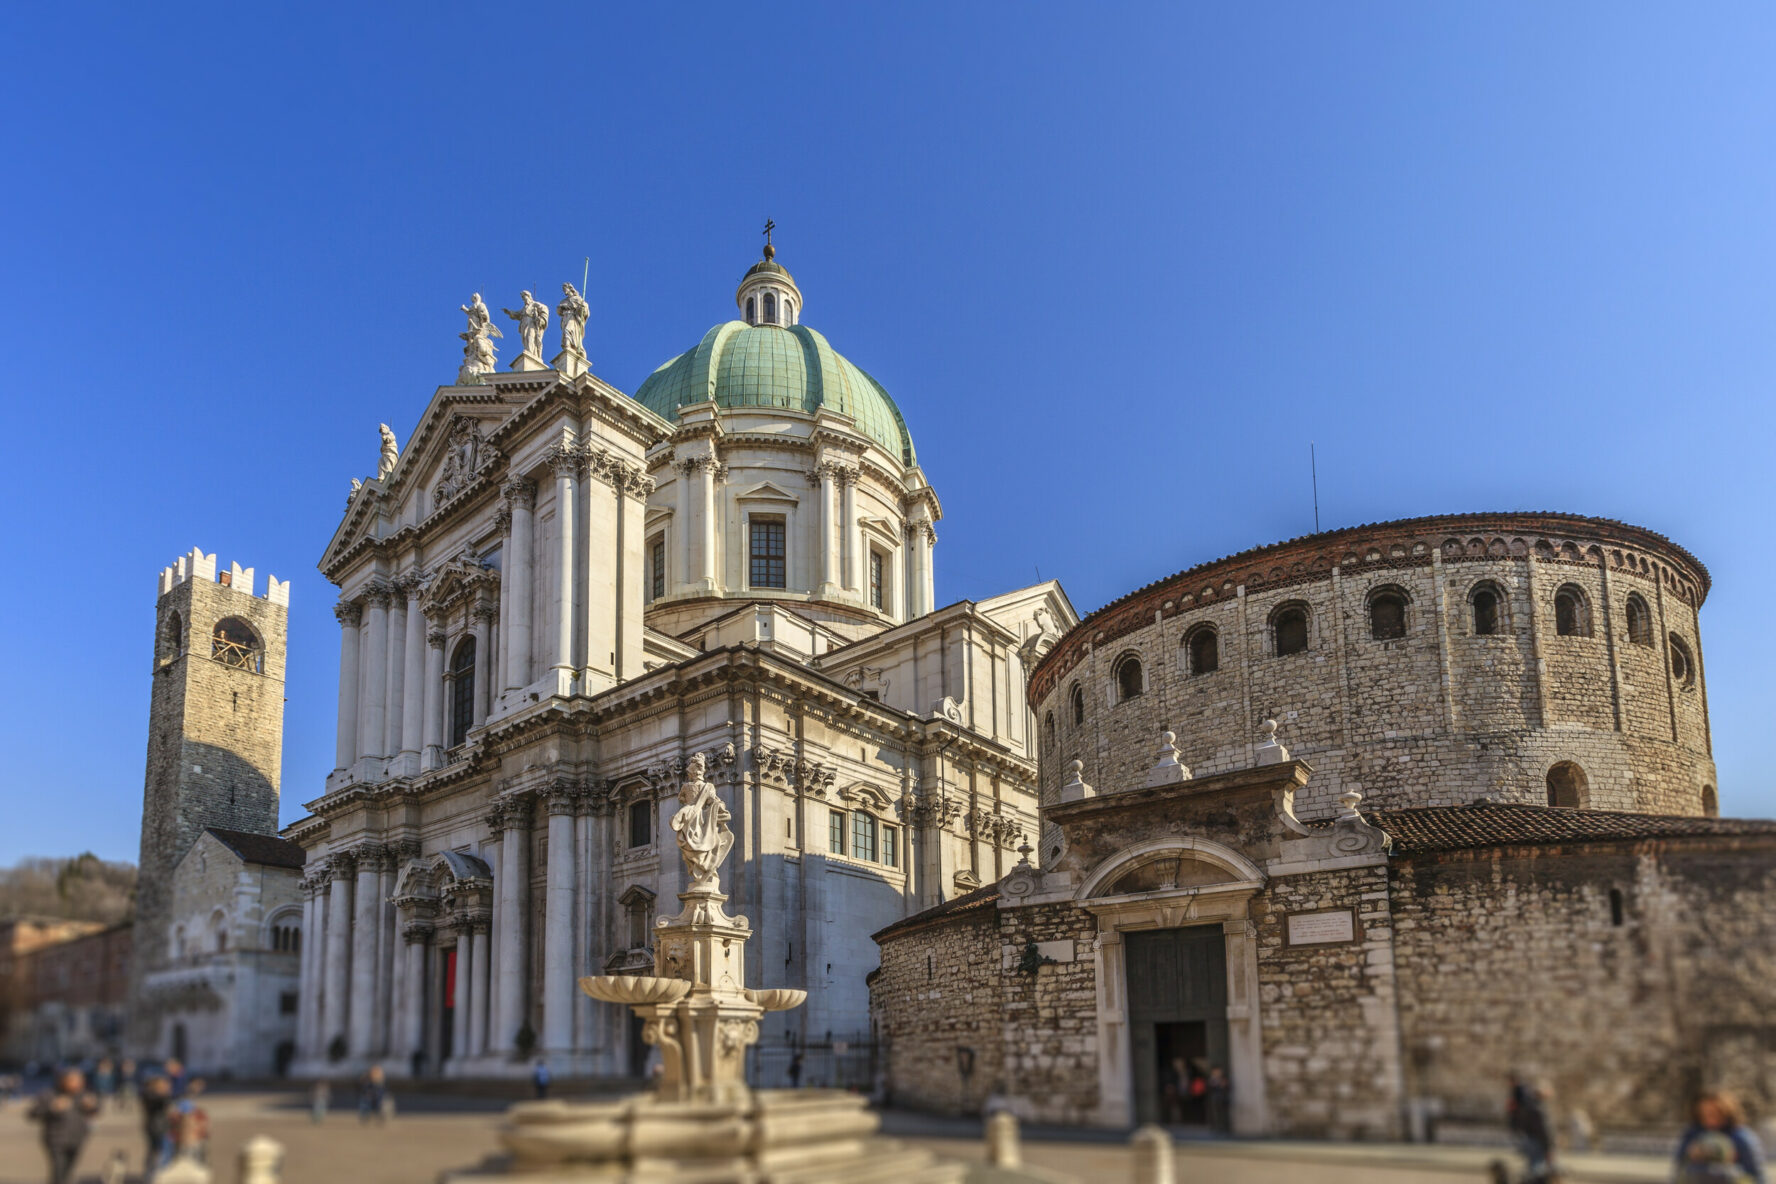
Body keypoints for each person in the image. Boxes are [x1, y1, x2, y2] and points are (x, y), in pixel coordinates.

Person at [1675, 1091, 1767, 1183]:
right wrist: (1690, 1157)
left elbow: (1756, 1176)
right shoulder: (1692, 1135)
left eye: (1713, 1113)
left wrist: (1730, 1168)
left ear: (1726, 1111)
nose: (1709, 1118)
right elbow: (1678, 1172)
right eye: (1703, 1114)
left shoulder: (1741, 1137)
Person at [27, 1067, 99, 1184]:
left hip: (77, 1139)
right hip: (56, 1141)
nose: (77, 1084)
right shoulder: (50, 1094)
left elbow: (96, 1109)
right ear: (63, 1081)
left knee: (67, 1171)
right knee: (58, 1171)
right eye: (73, 1080)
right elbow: (32, 1113)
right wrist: (52, 1107)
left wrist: (92, 1106)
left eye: (79, 1080)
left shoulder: (83, 1095)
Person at [140, 1074, 174, 1176]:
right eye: (163, 1084)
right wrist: (166, 1093)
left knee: (157, 1151)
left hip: (159, 1126)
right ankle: (154, 1173)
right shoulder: (150, 1095)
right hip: (156, 1127)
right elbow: (162, 1101)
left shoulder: (151, 1095)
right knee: (159, 1152)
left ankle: (153, 1172)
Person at [172, 1077, 211, 1163]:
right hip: (187, 1135)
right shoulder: (184, 1097)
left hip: (193, 1133)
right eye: (198, 1085)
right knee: (188, 1157)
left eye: (201, 1086)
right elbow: (181, 1116)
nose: (200, 1088)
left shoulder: (189, 1096)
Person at [1206, 1066, 1232, 1135]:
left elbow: (1227, 1087)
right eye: (1215, 1071)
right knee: (1215, 1113)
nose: (1217, 1073)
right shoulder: (1211, 1079)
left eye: (1218, 1071)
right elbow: (1209, 1089)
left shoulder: (1223, 1079)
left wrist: (1223, 1085)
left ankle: (1223, 1126)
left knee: (1223, 1113)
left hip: (1222, 1099)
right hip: (1214, 1099)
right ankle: (1215, 1126)